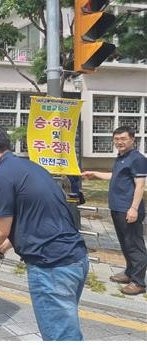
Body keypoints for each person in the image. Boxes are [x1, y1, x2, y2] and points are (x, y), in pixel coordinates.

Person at [0, 126, 89, 341]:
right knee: (67, 331)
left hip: (51, 266)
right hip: (76, 259)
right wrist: (7, 244)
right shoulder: (29, 167)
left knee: (60, 337)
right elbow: (34, 215)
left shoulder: (0, 176)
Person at [82, 126, 147, 296]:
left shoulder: (137, 159)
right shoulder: (121, 157)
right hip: (117, 208)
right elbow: (115, 176)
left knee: (134, 246)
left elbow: (140, 185)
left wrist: (133, 209)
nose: (120, 142)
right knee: (125, 244)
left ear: (133, 139)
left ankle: (139, 282)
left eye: (123, 139)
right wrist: (94, 173)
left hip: (129, 210)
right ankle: (129, 273)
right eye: (117, 139)